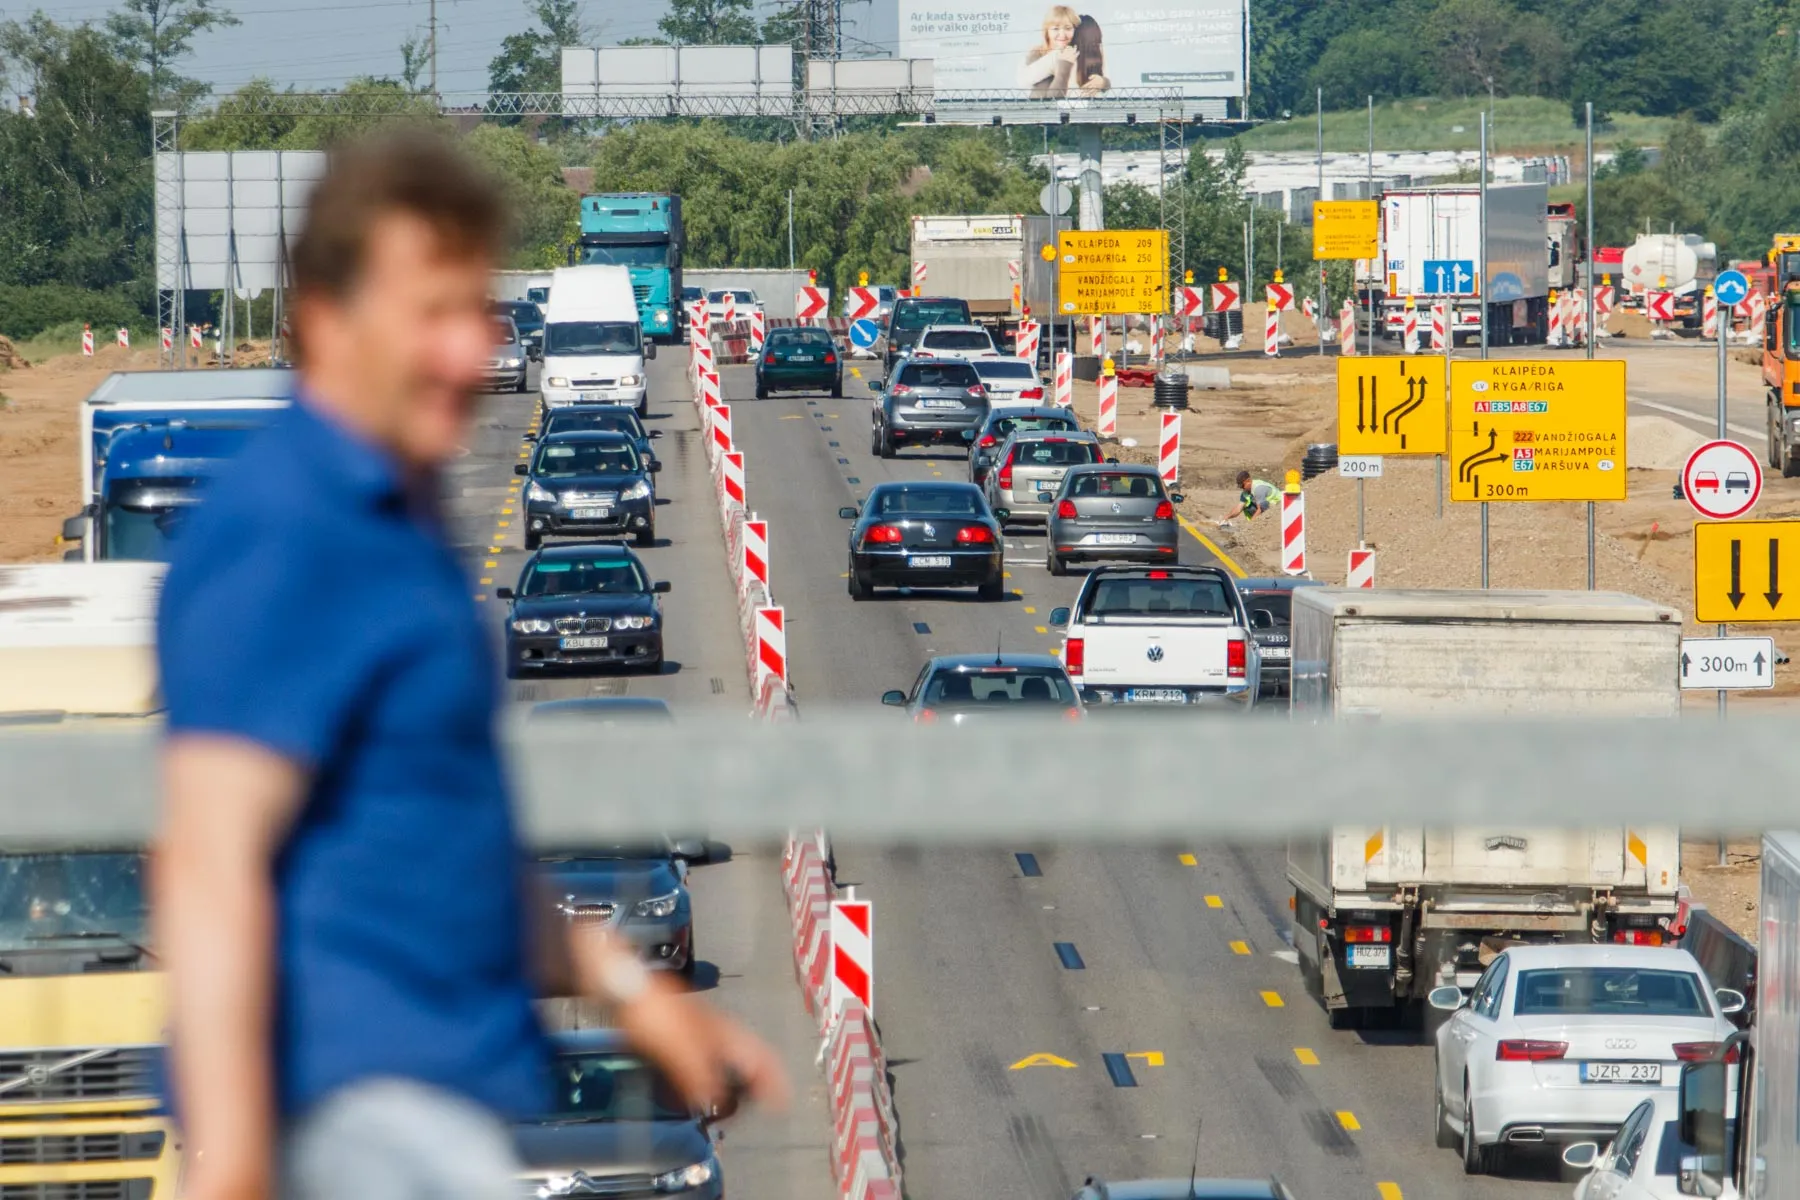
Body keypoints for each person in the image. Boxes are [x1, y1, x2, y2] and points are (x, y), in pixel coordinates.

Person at [153, 130, 785, 1200]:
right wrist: (239, 1162)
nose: (467, 352)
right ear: (322, 321)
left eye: (475, 312)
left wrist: (633, 995)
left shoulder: (402, 528)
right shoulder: (289, 535)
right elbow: (210, 867)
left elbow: (455, 857)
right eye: (427, 316)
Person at [1017, 5, 1080, 98]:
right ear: (1047, 31)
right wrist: (1062, 63)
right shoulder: (1036, 54)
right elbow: (1051, 101)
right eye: (1055, 29)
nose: (1062, 35)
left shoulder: (1078, 53)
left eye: (1068, 28)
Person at [1070, 15, 1109, 95]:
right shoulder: (1070, 55)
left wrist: (1103, 82)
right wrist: (1103, 82)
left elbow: (1107, 79)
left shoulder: (1099, 52)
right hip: (1094, 104)